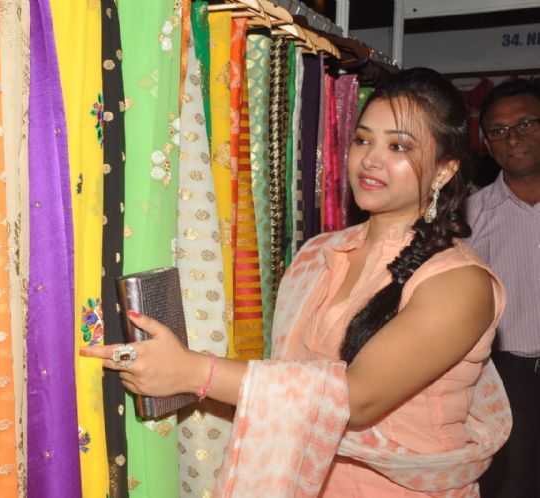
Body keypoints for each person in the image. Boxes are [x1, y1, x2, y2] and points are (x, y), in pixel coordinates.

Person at [82, 68, 511, 497]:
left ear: (444, 170)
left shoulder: (460, 284)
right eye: (363, 140)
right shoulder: (318, 253)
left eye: (398, 146)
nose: (370, 159)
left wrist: (193, 372)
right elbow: (286, 373)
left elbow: (358, 398)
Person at [469, 78, 540, 498]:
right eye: (498, 131)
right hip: (504, 379)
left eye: (526, 124)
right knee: (509, 487)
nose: (512, 138)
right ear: (487, 144)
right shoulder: (469, 218)